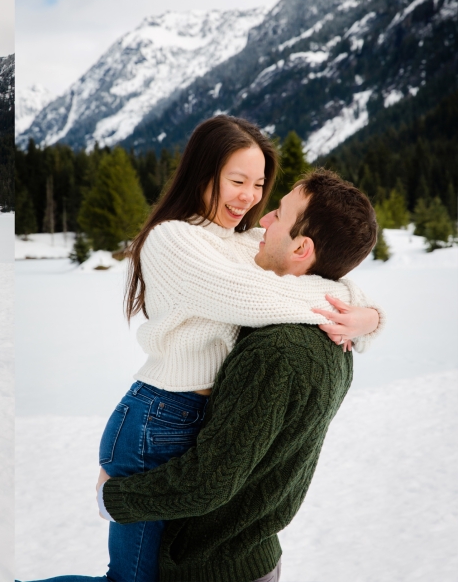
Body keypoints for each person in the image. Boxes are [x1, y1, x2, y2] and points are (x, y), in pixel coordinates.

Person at [23, 116, 382, 582]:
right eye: (237, 180)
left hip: (196, 420)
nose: (251, 198)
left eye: (259, 184)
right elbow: (256, 297)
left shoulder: (244, 241)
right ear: (201, 173)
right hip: (158, 418)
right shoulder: (173, 240)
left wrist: (366, 313)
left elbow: (323, 269)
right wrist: (351, 311)